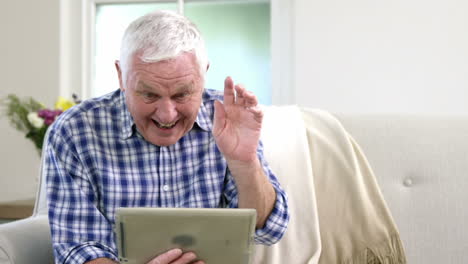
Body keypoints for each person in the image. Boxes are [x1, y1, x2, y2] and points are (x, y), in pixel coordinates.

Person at [45, 10, 289, 264]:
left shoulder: (229, 119)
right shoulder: (74, 131)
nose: (166, 114)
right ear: (121, 76)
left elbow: (270, 229)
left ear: (204, 74)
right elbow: (78, 248)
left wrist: (245, 162)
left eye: (182, 94)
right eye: (149, 94)